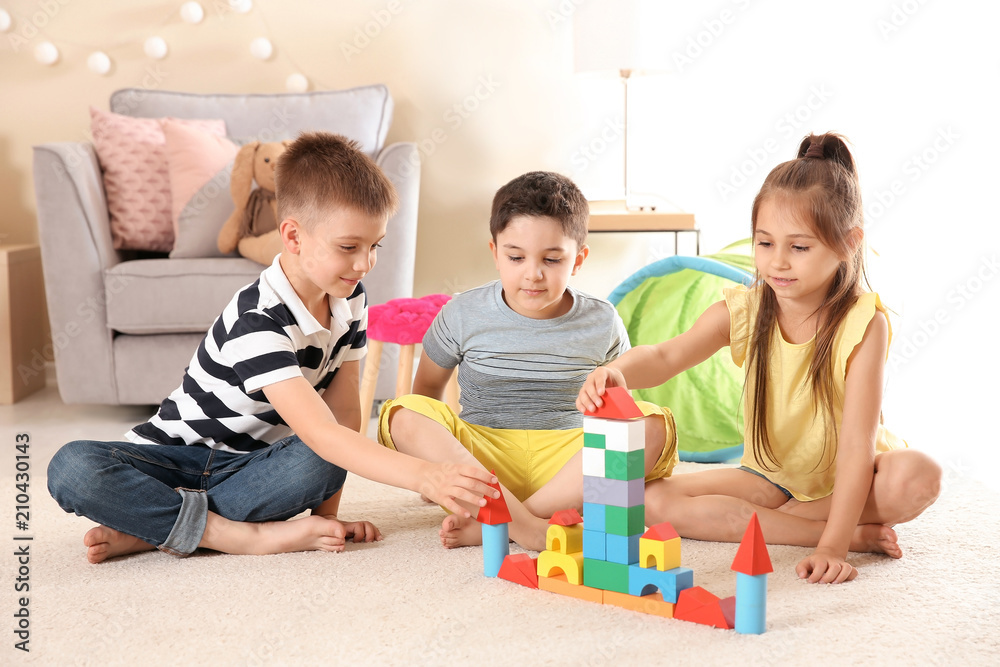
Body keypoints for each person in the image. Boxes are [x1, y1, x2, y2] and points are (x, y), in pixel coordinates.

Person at [47, 132, 497, 564]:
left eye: (374, 245)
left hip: (249, 469)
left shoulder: (351, 299)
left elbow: (342, 420)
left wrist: (328, 519)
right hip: (170, 459)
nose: (365, 263)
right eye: (348, 247)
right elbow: (322, 433)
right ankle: (235, 536)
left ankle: (154, 528)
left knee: (325, 454)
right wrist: (426, 475)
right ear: (294, 237)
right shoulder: (257, 320)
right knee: (71, 467)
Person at [577, 133, 942, 584]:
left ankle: (826, 526)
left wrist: (834, 548)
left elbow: (856, 447)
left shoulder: (864, 323)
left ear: (849, 243)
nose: (778, 263)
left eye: (799, 247)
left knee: (917, 476)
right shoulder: (745, 309)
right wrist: (616, 371)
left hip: (850, 480)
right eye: (765, 243)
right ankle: (831, 531)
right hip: (769, 478)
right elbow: (666, 354)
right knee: (651, 501)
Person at [377, 171, 678, 552]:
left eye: (552, 259)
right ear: (495, 253)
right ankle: (528, 525)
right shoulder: (461, 313)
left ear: (579, 259)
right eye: (516, 257)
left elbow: (617, 411)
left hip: (567, 465)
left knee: (649, 424)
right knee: (403, 412)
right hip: (483, 460)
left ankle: (503, 522)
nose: (532, 274)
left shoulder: (603, 320)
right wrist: (436, 467)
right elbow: (427, 391)